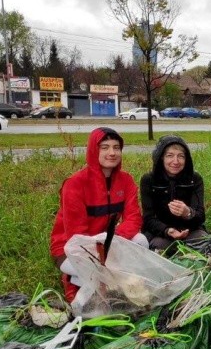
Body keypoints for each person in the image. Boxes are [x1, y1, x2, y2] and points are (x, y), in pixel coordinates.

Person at [50, 127, 148, 303]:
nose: (112, 153)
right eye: (105, 147)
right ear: (93, 150)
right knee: (103, 278)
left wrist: (112, 239)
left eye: (116, 147)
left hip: (108, 243)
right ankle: (73, 281)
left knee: (141, 240)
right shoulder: (75, 184)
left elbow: (134, 218)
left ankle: (113, 283)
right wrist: (105, 250)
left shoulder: (126, 181)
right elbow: (76, 235)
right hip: (72, 249)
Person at [140, 135, 208, 254]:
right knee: (161, 249)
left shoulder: (195, 179)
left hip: (190, 230)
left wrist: (188, 213)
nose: (175, 161)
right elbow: (148, 218)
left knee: (205, 242)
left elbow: (200, 216)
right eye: (170, 156)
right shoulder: (149, 180)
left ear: (186, 159)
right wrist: (168, 230)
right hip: (161, 233)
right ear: (161, 158)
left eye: (180, 156)